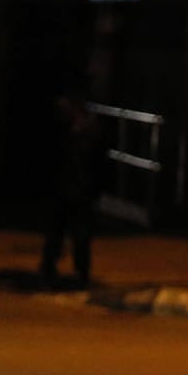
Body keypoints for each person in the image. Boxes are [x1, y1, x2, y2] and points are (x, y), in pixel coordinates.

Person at [40, 78, 108, 287]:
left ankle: (80, 271)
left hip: (80, 187)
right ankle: (50, 267)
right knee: (59, 230)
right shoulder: (65, 126)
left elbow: (97, 161)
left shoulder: (89, 129)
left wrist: (95, 189)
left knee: (79, 232)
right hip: (66, 186)